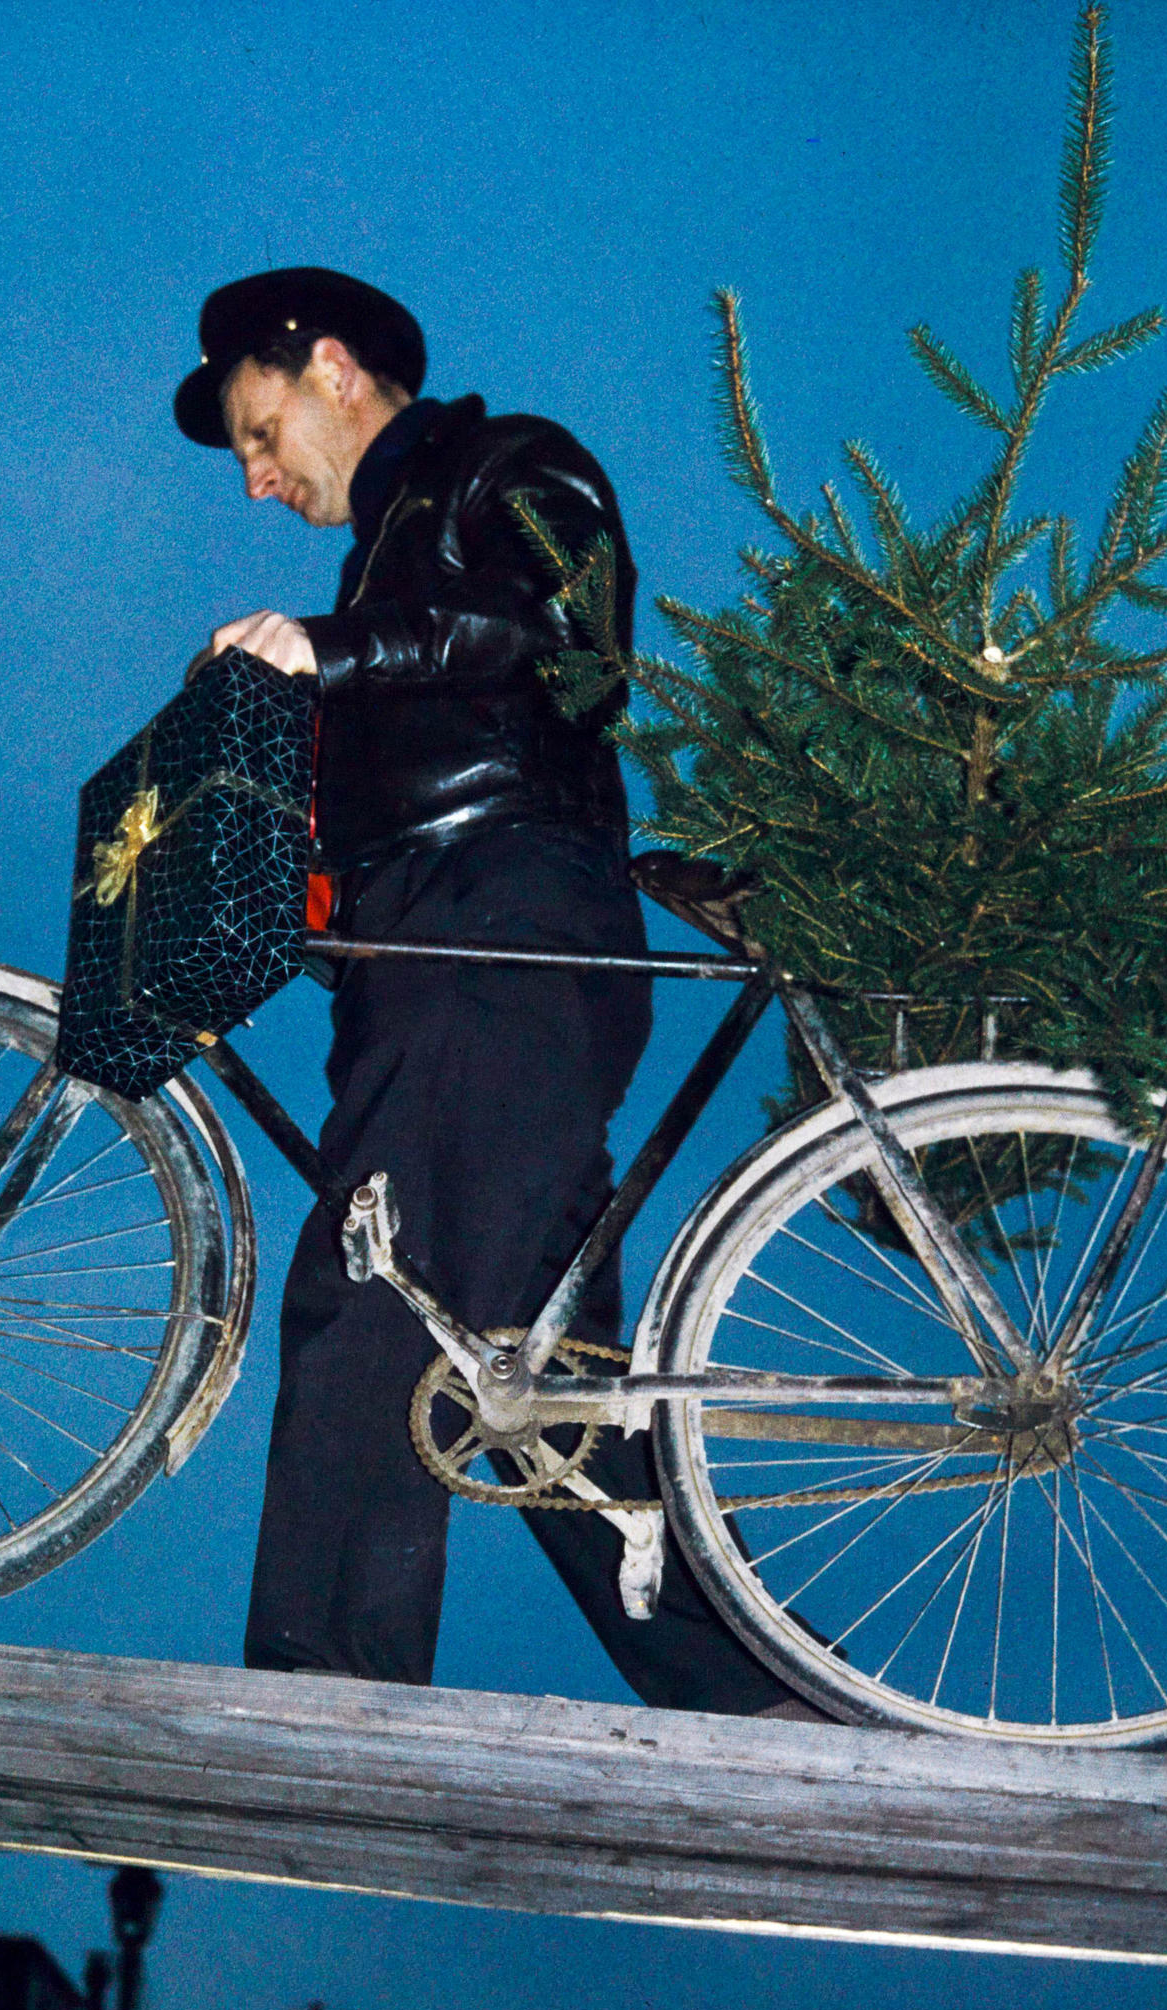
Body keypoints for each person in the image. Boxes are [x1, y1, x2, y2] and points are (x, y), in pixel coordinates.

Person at [176, 266, 805, 1716]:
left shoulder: (507, 462)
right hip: (451, 942)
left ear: (333, 367)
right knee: (533, 1370)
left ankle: (325, 1693)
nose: (259, 482)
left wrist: (326, 650)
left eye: (262, 435)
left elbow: (553, 639)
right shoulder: (382, 549)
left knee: (373, 1278)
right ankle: (749, 1693)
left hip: (498, 924)